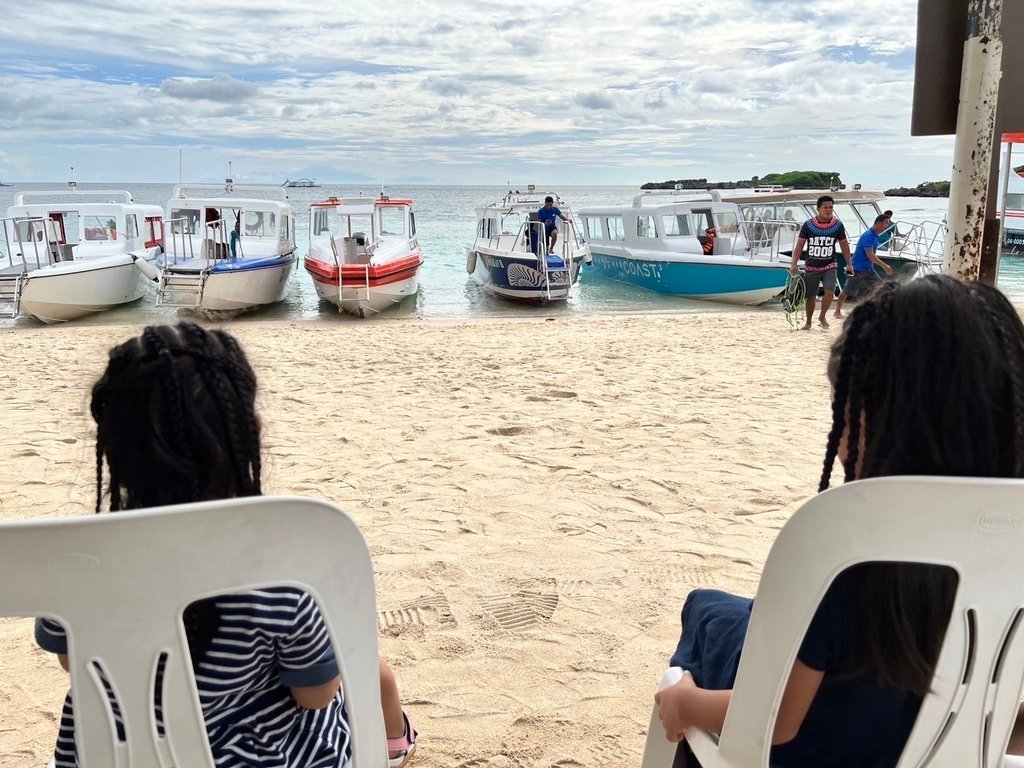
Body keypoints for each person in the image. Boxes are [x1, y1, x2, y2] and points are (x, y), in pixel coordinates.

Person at [654, 275, 1024, 767]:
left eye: (842, 410)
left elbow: (779, 723)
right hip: (930, 745)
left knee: (704, 618)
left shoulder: (848, 551)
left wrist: (684, 703)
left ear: (867, 420)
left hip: (810, 749)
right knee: (717, 611)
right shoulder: (1009, 551)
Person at [34, 322, 418, 768]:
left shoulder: (74, 563)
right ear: (250, 432)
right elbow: (314, 697)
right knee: (370, 674)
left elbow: (71, 664)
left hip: (115, 756)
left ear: (113, 448)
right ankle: (397, 746)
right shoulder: (283, 573)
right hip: (253, 758)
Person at [788, 195, 851, 330]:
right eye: (825, 207)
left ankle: (822, 316)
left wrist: (849, 263)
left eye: (831, 207)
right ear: (818, 209)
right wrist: (794, 263)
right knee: (810, 297)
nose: (828, 210)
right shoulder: (808, 225)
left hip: (830, 265)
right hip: (811, 266)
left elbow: (844, 244)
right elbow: (800, 244)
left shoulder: (838, 225)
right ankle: (809, 322)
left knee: (830, 292)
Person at [832, 213, 894, 318]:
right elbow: (870, 255)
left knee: (881, 286)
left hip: (869, 269)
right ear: (878, 223)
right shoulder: (868, 236)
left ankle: (878, 308)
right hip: (857, 269)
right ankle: (837, 312)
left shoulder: (875, 236)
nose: (887, 226)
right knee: (847, 291)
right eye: (886, 223)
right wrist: (885, 266)